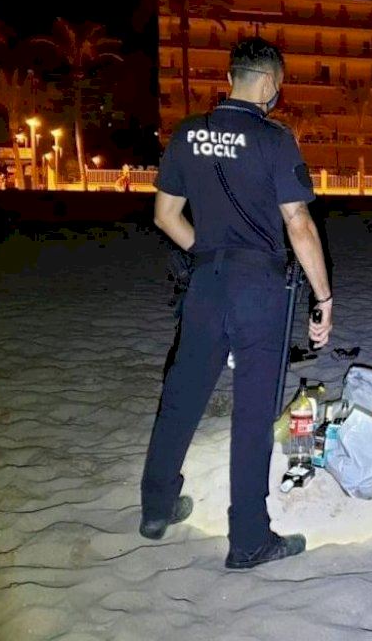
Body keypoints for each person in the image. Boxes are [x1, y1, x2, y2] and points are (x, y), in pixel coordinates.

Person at [140, 38, 333, 570]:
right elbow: (298, 222)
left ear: (231, 77)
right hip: (259, 289)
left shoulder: (188, 133)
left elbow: (165, 216)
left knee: (181, 397)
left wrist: (207, 251)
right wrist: (323, 295)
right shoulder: (274, 138)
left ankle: (156, 508)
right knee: (253, 412)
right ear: (269, 83)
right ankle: (248, 540)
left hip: (205, 283)